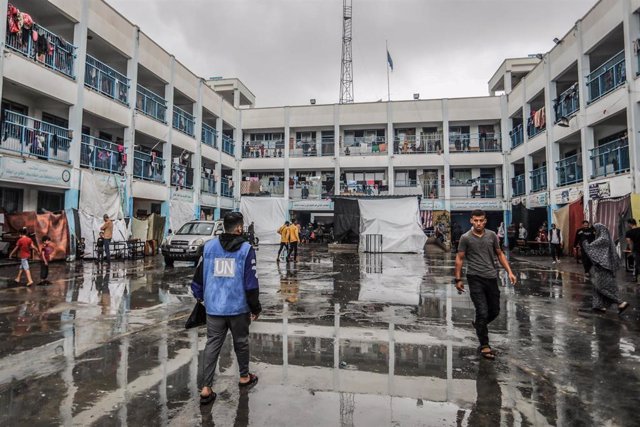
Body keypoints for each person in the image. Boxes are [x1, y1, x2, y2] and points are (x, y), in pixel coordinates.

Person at [191, 212, 261, 405]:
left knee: (212, 344)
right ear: (239, 228)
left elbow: (198, 276)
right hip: (238, 308)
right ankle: (244, 376)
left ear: (223, 226)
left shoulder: (209, 246)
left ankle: (206, 388)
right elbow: (251, 283)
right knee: (241, 342)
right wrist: (255, 307)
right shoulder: (246, 250)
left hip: (214, 308)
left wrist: (199, 296)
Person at [454, 210, 517, 360]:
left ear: (485, 221)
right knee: (482, 311)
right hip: (475, 278)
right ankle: (485, 346)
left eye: (481, 220)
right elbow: (459, 258)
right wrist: (458, 279)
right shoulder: (465, 238)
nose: (478, 223)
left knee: (494, 310)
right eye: (475, 220)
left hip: (491, 277)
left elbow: (500, 254)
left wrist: (510, 272)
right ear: (471, 221)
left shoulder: (492, 235)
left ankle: (479, 325)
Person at [583, 223, 629, 314]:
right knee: (597, 286)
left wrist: (585, 243)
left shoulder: (602, 239)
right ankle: (598, 305)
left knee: (601, 287)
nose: (594, 232)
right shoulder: (607, 238)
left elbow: (591, 250)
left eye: (595, 230)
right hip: (605, 266)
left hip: (603, 267)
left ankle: (621, 302)